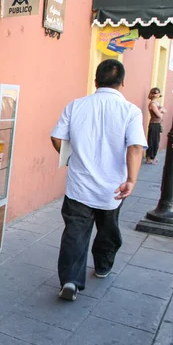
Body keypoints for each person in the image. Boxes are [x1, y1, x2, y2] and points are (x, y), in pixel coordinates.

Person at [50, 59, 146, 301]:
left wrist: (72, 159)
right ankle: (103, 266)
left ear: (95, 81)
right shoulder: (131, 111)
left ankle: (70, 280)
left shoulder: (76, 105)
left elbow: (56, 138)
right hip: (114, 187)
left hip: (79, 185)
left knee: (75, 231)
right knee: (108, 229)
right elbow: (135, 147)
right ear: (123, 82)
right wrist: (131, 180)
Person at [145, 87, 166, 165]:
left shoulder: (157, 103)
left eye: (157, 93)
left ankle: (152, 157)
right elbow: (159, 115)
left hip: (157, 124)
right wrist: (160, 110)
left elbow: (165, 111)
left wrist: (160, 110)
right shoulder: (153, 104)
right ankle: (150, 158)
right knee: (152, 141)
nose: (156, 94)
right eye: (155, 93)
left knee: (156, 141)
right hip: (154, 124)